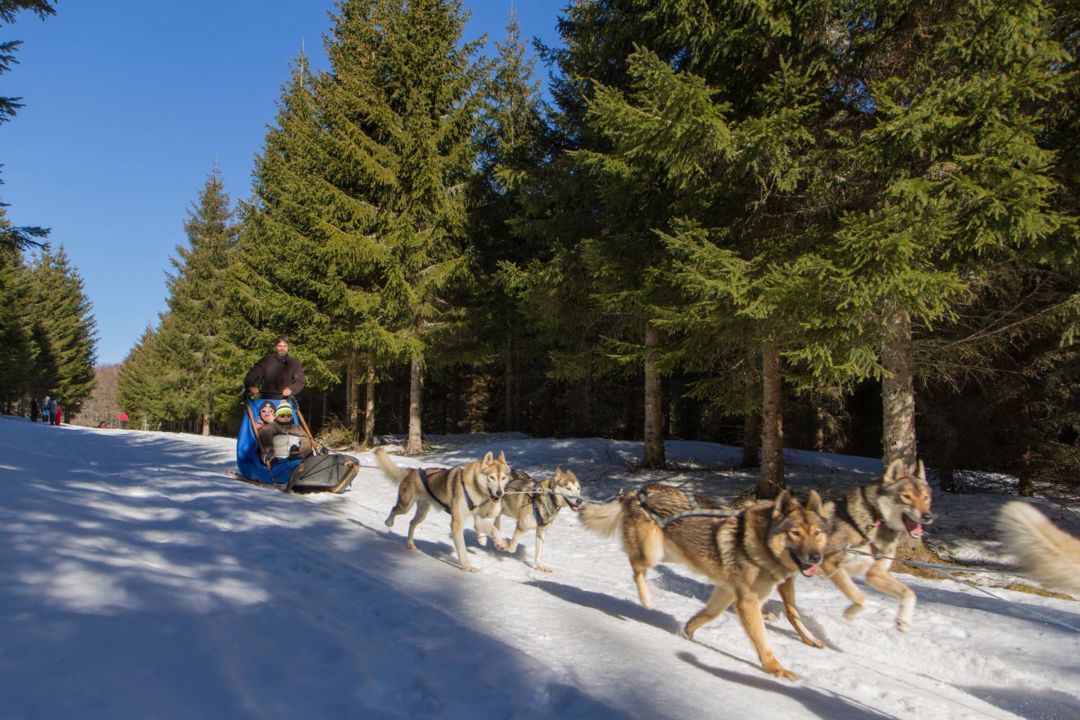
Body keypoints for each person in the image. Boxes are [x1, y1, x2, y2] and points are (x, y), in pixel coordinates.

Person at [244, 335, 305, 400]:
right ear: (275, 347)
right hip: (267, 401)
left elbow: (300, 381)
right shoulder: (266, 361)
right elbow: (252, 375)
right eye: (280, 346)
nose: (282, 348)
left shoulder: (294, 363)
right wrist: (251, 386)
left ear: (288, 348)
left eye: (285, 346)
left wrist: (291, 389)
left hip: (286, 401)